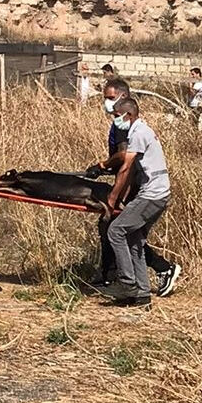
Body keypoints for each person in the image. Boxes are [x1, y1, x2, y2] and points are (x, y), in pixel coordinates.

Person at [103, 96, 182, 304]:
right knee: (134, 240)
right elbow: (132, 172)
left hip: (152, 195)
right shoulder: (142, 130)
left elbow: (125, 168)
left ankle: (127, 283)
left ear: (129, 115)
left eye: (117, 116)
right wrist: (123, 198)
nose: (115, 120)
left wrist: (112, 199)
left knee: (115, 231)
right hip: (158, 193)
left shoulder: (138, 134)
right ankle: (142, 294)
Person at [90, 76, 133, 286]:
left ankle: (114, 275)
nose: (106, 102)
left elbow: (124, 156)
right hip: (124, 180)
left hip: (129, 185)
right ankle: (109, 273)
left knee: (113, 228)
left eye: (110, 98)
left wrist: (103, 165)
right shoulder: (124, 119)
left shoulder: (123, 122)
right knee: (112, 228)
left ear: (122, 96)